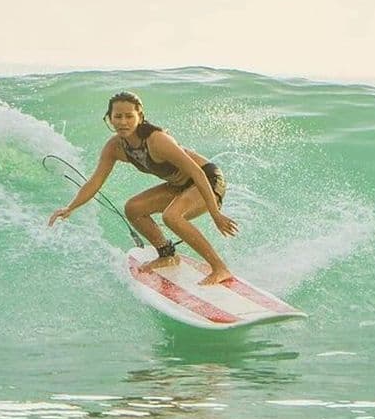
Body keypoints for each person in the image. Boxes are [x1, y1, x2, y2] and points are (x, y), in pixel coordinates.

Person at [48, 91, 239, 285]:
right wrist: (70, 207)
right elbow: (95, 182)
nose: (123, 121)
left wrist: (215, 213)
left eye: (129, 116)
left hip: (207, 179)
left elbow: (197, 173)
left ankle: (220, 268)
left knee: (171, 216)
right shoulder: (115, 148)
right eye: (118, 116)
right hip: (179, 185)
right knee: (134, 208)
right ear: (109, 119)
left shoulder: (157, 140)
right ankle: (167, 254)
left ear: (140, 116)